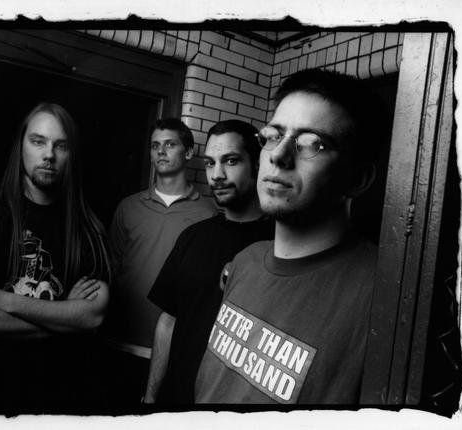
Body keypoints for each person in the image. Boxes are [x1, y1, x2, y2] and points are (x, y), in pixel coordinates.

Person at [195, 69, 385, 404]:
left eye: (312, 143)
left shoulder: (382, 294)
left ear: (357, 179)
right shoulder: (244, 262)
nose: (278, 155)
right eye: (273, 135)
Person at [0, 102, 112, 414]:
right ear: (20, 146)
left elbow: (91, 317)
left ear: (71, 155)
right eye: (38, 141)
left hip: (61, 401)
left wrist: (5, 300)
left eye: (60, 145)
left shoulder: (89, 230)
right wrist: (64, 317)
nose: (49, 154)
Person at [144, 120, 274, 404]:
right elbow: (168, 321)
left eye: (231, 161)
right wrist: (150, 397)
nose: (217, 175)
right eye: (210, 163)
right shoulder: (192, 237)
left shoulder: (279, 242)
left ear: (257, 164)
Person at [103, 118, 216, 404]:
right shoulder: (129, 207)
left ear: (188, 152)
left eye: (169, 144)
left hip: (173, 350)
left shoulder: (209, 214)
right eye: (155, 146)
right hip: (120, 342)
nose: (161, 151)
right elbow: (111, 269)